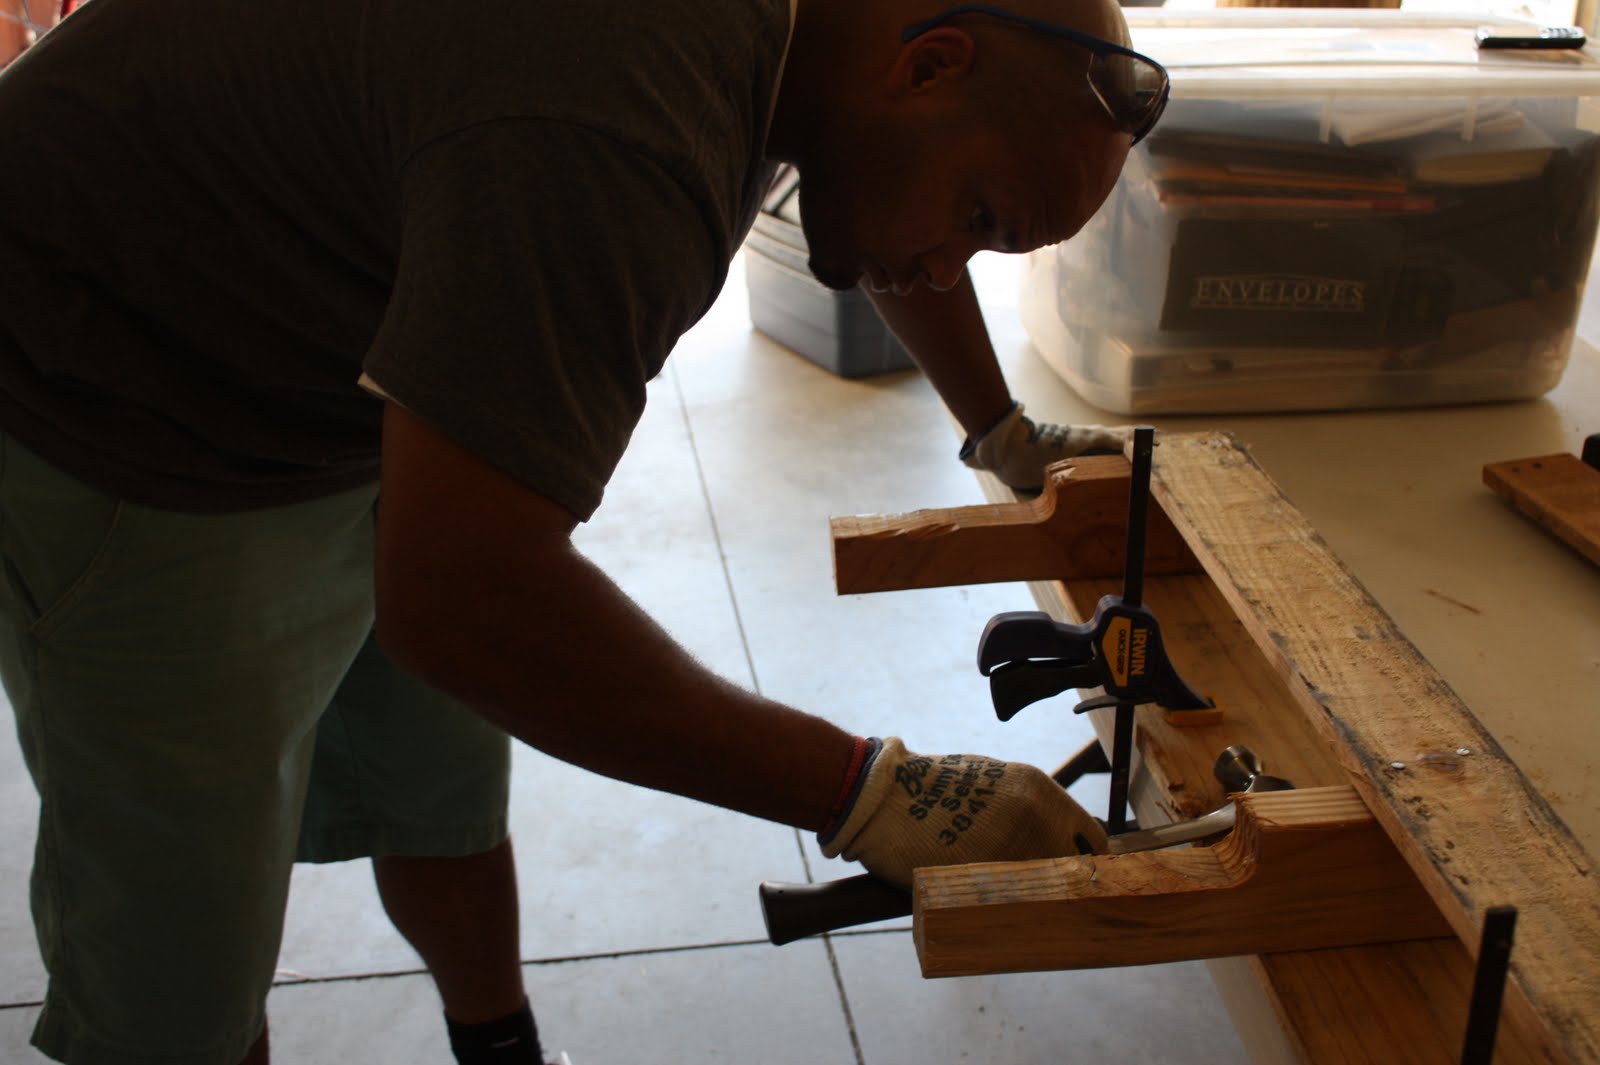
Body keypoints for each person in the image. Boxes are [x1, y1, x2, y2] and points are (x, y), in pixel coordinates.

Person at [0, 0, 1168, 1061]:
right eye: (976, 217)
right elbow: (462, 600)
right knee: (181, 976)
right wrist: (875, 792)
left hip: (343, 340)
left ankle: (497, 1049)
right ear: (928, 63)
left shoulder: (824, 46)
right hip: (122, 387)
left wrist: (1000, 434)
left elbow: (898, 212)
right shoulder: (619, 125)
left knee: (438, 786)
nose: (941, 263)